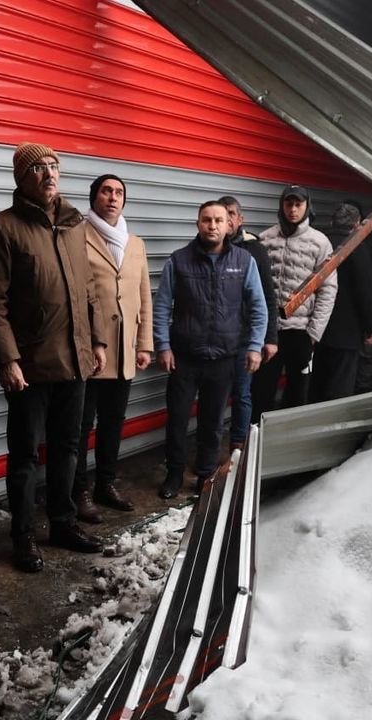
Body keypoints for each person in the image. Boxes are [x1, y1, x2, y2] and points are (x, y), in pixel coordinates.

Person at [0, 142, 108, 574]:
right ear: (21, 178)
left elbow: (88, 289)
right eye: (37, 168)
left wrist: (98, 342)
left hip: (75, 360)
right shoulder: (1, 229)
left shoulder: (75, 225)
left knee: (68, 447)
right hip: (29, 367)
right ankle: (24, 535)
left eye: (53, 166)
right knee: (25, 455)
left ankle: (63, 523)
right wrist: (7, 360)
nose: (49, 173)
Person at [154, 201, 267, 499]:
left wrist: (255, 346)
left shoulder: (244, 261)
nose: (212, 226)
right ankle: (174, 474)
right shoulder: (178, 261)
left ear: (229, 225)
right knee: (177, 419)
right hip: (184, 357)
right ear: (198, 224)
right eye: (206, 220)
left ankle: (205, 476)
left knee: (212, 422)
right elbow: (162, 306)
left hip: (223, 357)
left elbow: (259, 307)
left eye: (218, 220)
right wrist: (163, 346)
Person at [72, 174, 152, 523]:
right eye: (106, 191)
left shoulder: (135, 243)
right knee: (81, 426)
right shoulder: (77, 236)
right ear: (94, 197)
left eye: (119, 192)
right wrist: (88, 342)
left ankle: (106, 483)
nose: (113, 197)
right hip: (91, 352)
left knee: (113, 422)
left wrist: (144, 343)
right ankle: (78, 491)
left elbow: (144, 296)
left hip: (124, 352)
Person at [250, 185, 336, 423]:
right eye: (289, 204)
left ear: (307, 207)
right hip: (269, 333)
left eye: (299, 204)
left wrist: (313, 333)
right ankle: (260, 438)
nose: (293, 209)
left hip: (301, 332)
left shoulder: (320, 242)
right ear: (282, 206)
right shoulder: (266, 239)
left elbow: (328, 289)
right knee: (261, 393)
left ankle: (292, 438)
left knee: (297, 394)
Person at [218, 195, 277, 452]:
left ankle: (238, 448)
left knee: (242, 394)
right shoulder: (209, 247)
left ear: (240, 219)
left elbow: (268, 297)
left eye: (231, 214)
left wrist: (270, 338)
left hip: (245, 337)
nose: (227, 219)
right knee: (216, 395)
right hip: (217, 339)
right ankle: (212, 448)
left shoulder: (255, 250)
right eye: (223, 214)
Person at [309, 202, 372, 403]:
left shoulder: (320, 244)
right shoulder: (357, 248)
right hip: (347, 332)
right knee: (340, 388)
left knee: (318, 382)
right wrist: (371, 327)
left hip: (317, 328)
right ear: (357, 224)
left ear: (332, 222)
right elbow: (365, 292)